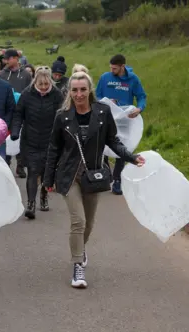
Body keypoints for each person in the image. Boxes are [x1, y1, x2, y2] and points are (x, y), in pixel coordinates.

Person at [43, 69, 145, 289]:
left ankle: (80, 247)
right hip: (69, 175)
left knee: (88, 224)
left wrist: (131, 156)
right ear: (69, 92)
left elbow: (113, 141)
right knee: (78, 221)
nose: (79, 94)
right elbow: (54, 148)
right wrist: (48, 179)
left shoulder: (102, 112)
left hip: (94, 175)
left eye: (83, 89)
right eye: (74, 90)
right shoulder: (63, 117)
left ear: (90, 90)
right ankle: (77, 265)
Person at [10, 66, 63, 219]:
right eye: (41, 85)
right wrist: (15, 131)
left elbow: (62, 116)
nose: (44, 88)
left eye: (47, 85)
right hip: (31, 139)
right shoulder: (27, 94)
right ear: (35, 83)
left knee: (47, 171)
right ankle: (31, 204)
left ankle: (44, 196)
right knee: (32, 171)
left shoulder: (56, 95)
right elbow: (19, 114)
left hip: (50, 140)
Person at [96, 54, 147, 195]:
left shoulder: (133, 79)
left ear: (122, 66)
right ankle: (105, 175)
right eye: (111, 68)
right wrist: (106, 101)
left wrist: (139, 108)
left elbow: (142, 96)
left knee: (122, 148)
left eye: (115, 68)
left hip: (125, 120)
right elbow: (97, 96)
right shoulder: (105, 78)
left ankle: (117, 180)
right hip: (107, 117)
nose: (112, 70)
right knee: (102, 146)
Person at [0, 49, 32, 178]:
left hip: (21, 111)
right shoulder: (2, 74)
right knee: (5, 138)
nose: (5, 61)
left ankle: (20, 166)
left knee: (20, 138)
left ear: (15, 58)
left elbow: (30, 92)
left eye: (8, 58)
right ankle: (6, 164)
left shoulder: (25, 74)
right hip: (6, 112)